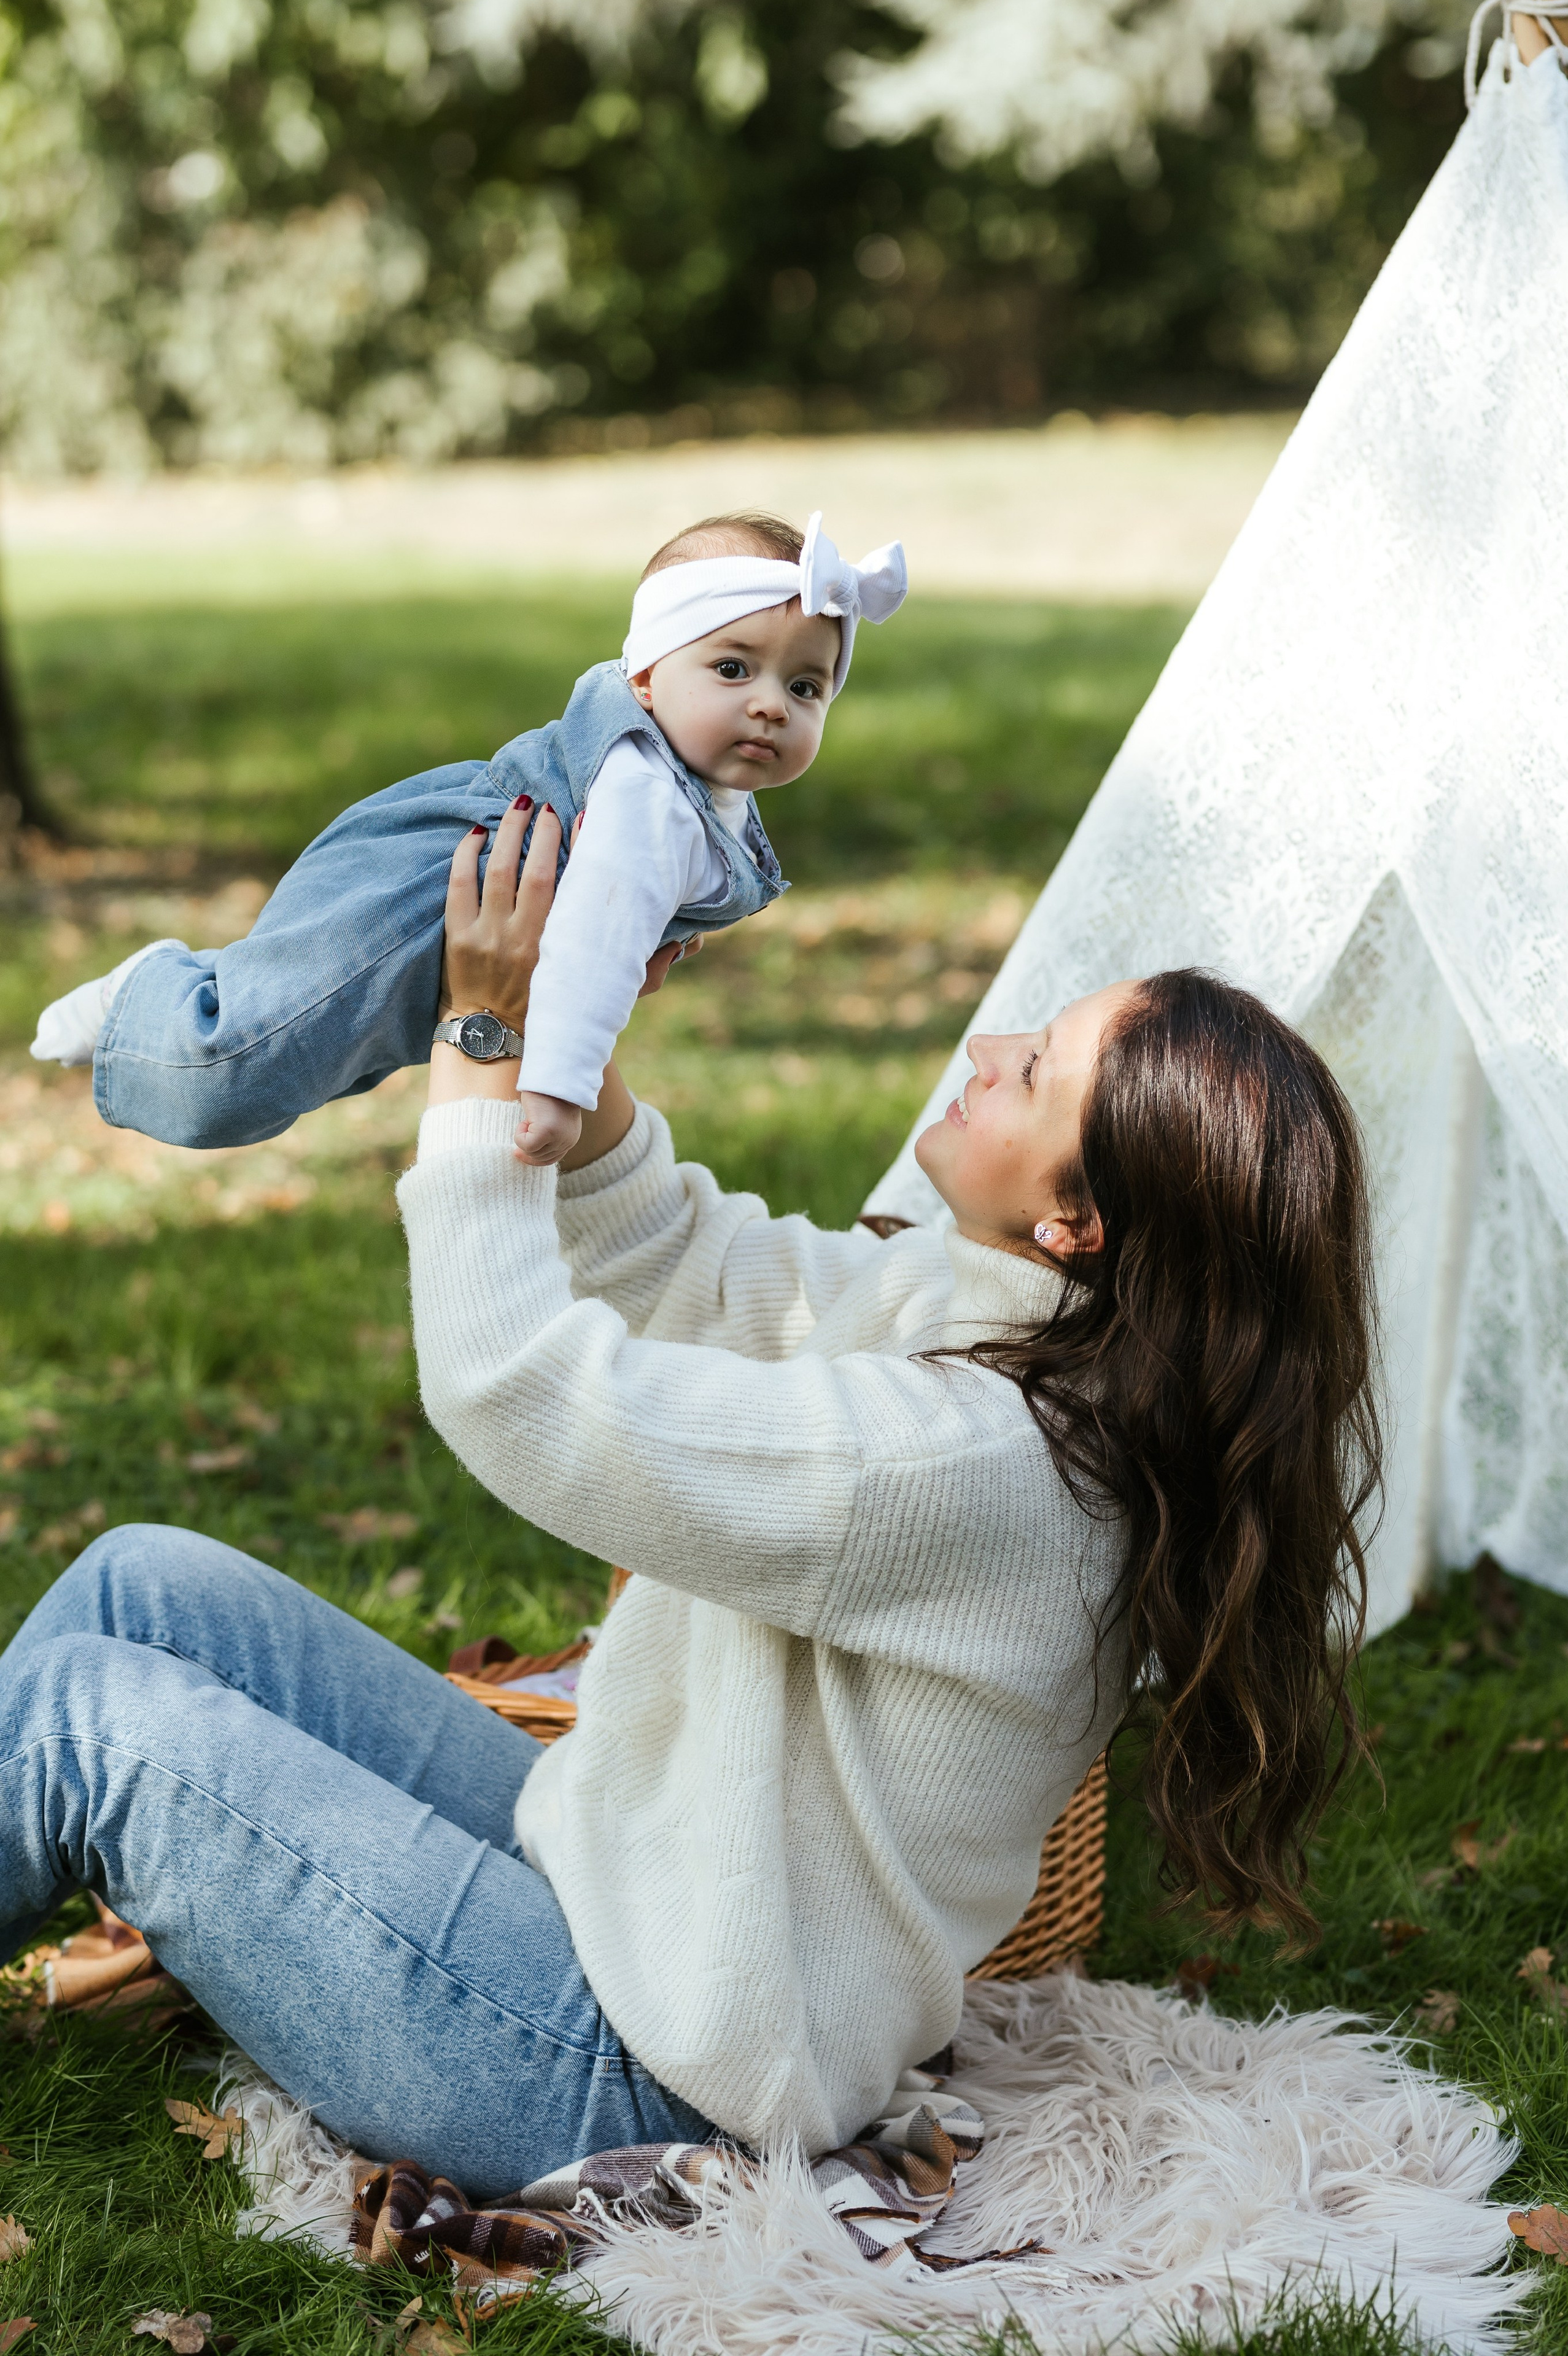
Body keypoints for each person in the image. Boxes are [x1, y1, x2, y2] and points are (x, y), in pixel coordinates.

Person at [0, 795, 1380, 2194]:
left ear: (1074, 1221)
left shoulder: (972, 1464)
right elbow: (698, 1271)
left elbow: (519, 1392)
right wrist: (563, 1015)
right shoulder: (1015, 1327)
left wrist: (476, 1048)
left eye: (1027, 1072)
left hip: (619, 2067)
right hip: (614, 1885)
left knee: (88, 1725)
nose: (981, 1049)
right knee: (140, 1582)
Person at [28, 509, 906, 1167]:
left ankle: (191, 990)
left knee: (316, 1060)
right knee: (238, 1075)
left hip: (454, 899)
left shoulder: (700, 791)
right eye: (732, 667)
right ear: (643, 676)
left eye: (806, 687)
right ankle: (149, 990)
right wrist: (557, 1088)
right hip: (422, 891)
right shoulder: (649, 797)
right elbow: (596, 948)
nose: (769, 703)